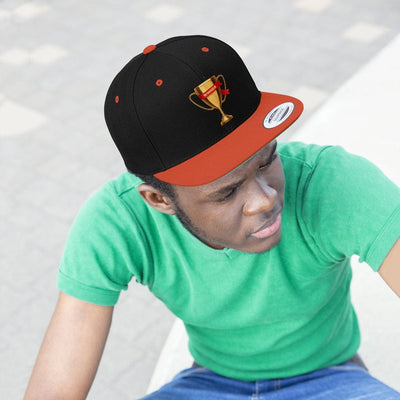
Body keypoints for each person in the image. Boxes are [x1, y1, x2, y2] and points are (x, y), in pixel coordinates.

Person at [24, 35, 400, 400]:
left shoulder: (331, 182)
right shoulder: (119, 222)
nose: (264, 200)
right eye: (227, 192)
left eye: (267, 160)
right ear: (158, 199)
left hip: (332, 376)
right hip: (210, 383)